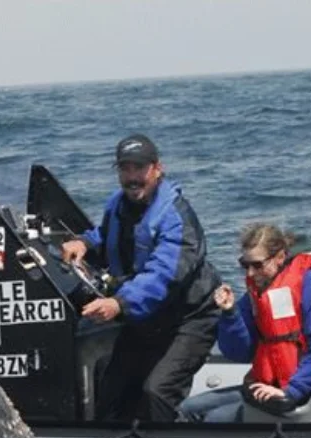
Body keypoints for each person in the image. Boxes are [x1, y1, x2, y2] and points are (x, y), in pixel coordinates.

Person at [59, 134, 222, 422]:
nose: (132, 177)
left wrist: (119, 303)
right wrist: (84, 243)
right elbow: (108, 235)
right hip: (149, 319)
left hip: (190, 318)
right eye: (125, 169)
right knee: (111, 387)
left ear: (157, 169)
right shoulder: (118, 205)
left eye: (139, 168)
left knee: (156, 392)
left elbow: (164, 275)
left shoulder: (175, 216)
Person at [177, 224, 311, 422]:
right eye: (245, 265)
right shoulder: (257, 293)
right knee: (187, 408)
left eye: (258, 265)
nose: (250, 273)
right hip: (267, 386)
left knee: (215, 419)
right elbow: (238, 352)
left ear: (280, 258)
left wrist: (292, 390)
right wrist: (230, 313)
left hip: (304, 390)